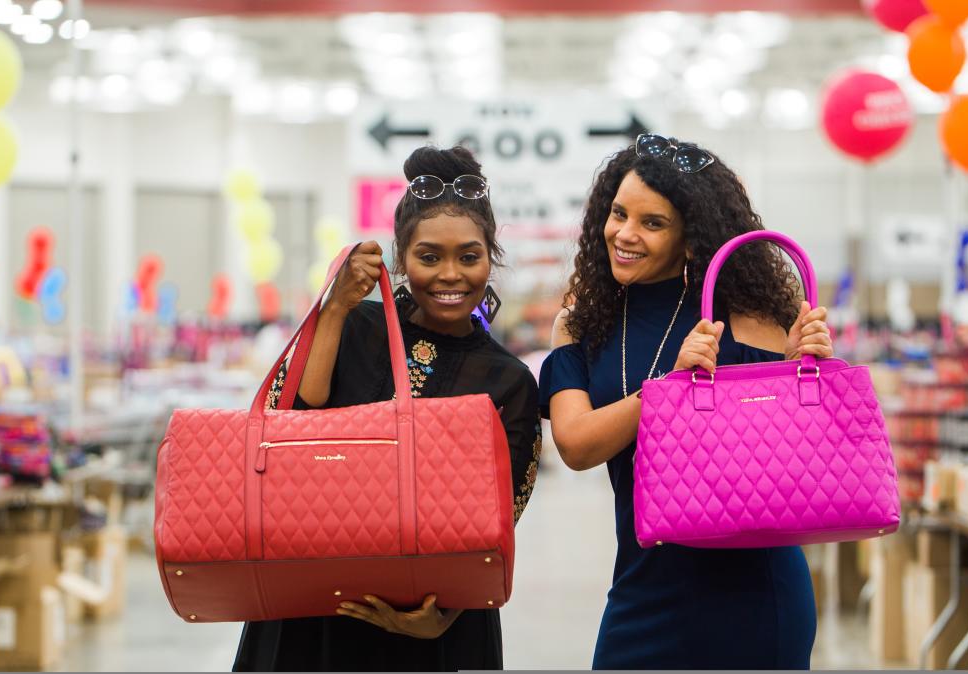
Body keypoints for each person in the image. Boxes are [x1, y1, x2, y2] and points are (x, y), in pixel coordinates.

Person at [234, 146, 541, 672]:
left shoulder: (506, 380)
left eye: (469, 257)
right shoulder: (355, 327)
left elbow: (498, 521)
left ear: (491, 258)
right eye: (429, 257)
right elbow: (287, 420)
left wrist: (442, 615)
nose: (450, 275)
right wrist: (334, 309)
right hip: (314, 601)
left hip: (432, 621)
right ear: (400, 259)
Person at [541, 134, 834, 669]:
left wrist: (798, 369)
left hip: (755, 593)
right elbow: (576, 445)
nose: (625, 235)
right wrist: (671, 390)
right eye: (618, 214)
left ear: (692, 239)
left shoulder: (751, 318)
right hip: (641, 591)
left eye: (652, 223)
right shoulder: (580, 324)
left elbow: (793, 458)